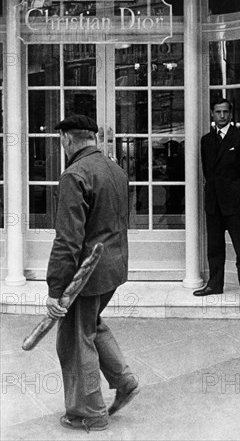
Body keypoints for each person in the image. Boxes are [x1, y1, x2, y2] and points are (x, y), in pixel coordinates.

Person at [46, 114, 139, 432]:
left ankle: (89, 413)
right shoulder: (114, 169)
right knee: (91, 325)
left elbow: (68, 239)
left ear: (67, 140)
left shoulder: (74, 174)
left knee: (74, 339)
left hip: (86, 276)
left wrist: (55, 289)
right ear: (93, 138)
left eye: (62, 140)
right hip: (113, 268)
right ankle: (124, 381)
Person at [193, 98, 240, 305]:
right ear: (212, 114)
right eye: (218, 112)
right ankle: (215, 284)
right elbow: (208, 173)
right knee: (215, 247)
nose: (222, 116)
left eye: (225, 112)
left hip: (236, 204)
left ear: (231, 114)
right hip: (214, 202)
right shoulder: (206, 140)